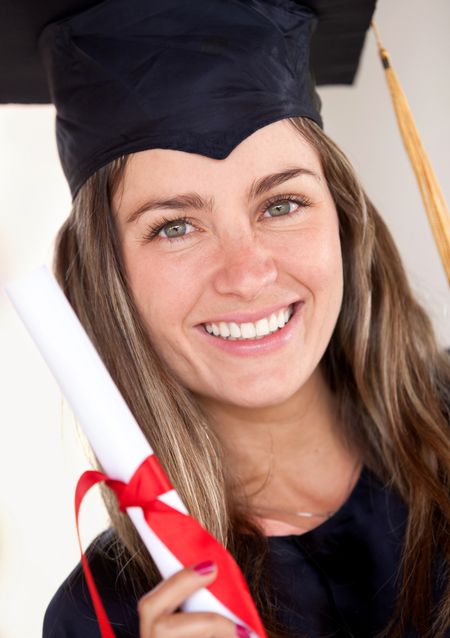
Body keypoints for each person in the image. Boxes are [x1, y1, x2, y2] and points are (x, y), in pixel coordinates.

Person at [4, 0, 449, 637]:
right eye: (175, 227)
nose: (247, 273)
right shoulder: (103, 618)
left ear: (345, 221)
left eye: (283, 203)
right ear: (108, 280)